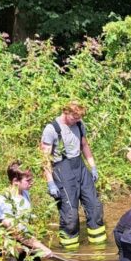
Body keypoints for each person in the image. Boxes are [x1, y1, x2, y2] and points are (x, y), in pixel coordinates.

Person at [40, 101, 106, 249]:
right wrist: (50, 182)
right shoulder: (52, 129)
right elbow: (44, 159)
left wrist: (93, 167)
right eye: (74, 117)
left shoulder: (79, 124)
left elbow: (84, 145)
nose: (77, 120)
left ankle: (99, 248)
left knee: (95, 206)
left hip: (80, 166)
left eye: (79, 118)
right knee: (70, 214)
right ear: (66, 112)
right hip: (61, 168)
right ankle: (70, 252)